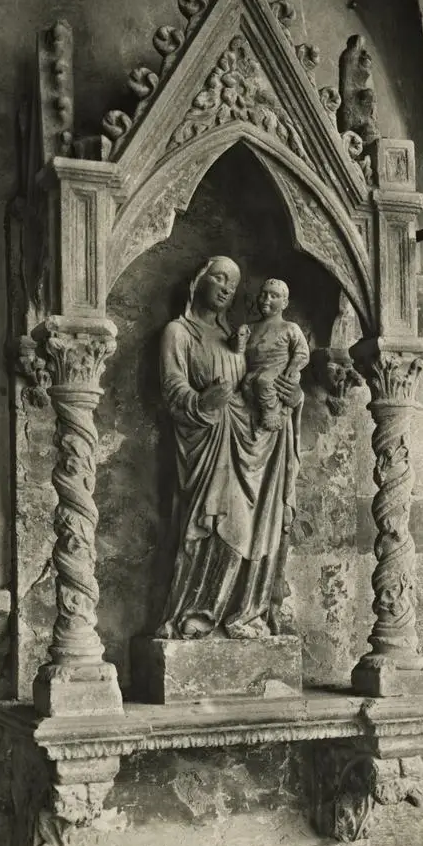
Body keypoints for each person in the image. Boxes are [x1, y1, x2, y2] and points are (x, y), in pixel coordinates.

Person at [156, 256, 303, 640]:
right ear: (199, 281)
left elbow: (262, 381)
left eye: (233, 285)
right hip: (209, 445)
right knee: (220, 523)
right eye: (219, 278)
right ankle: (197, 612)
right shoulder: (179, 332)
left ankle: (246, 613)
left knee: (255, 528)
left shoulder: (238, 337)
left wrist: (294, 395)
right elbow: (173, 388)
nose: (226, 288)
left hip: (256, 440)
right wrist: (201, 404)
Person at [234, 278, 310, 431]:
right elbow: (237, 356)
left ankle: (271, 414)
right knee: (247, 384)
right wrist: (239, 339)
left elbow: (302, 352)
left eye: (274, 296)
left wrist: (293, 367)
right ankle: (258, 413)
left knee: (264, 381)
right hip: (253, 376)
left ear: (284, 303)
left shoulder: (290, 328)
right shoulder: (251, 328)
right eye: (263, 295)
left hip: (278, 375)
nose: (266, 300)